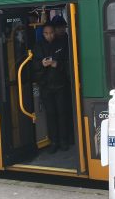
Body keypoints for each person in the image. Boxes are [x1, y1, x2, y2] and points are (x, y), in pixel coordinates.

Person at [33, 23, 72, 153]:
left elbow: (69, 63)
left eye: (51, 33)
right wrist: (41, 64)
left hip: (60, 85)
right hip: (46, 86)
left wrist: (56, 64)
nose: (49, 35)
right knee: (50, 115)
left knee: (62, 114)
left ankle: (64, 141)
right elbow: (33, 66)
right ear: (42, 34)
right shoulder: (38, 46)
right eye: (46, 33)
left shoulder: (62, 44)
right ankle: (53, 142)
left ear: (54, 33)